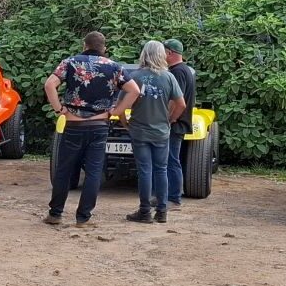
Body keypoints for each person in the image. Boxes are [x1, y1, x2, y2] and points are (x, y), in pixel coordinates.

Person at [43, 31, 140, 226]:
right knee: (94, 171)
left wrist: (58, 109)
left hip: (73, 124)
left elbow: (49, 85)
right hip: (99, 125)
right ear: (104, 48)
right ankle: (83, 217)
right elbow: (134, 91)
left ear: (84, 45)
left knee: (64, 170)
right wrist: (117, 110)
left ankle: (55, 214)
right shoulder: (114, 67)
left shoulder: (70, 63)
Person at [118, 40, 186, 224]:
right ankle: (162, 211)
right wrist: (170, 119)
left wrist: (126, 124)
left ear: (144, 54)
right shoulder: (169, 77)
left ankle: (145, 211)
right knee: (161, 170)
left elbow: (121, 106)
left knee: (145, 171)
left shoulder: (135, 76)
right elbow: (181, 104)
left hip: (139, 130)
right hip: (161, 132)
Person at [164, 39, 196, 208]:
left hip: (175, 124)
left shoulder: (177, 72)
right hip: (178, 123)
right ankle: (168, 196)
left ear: (170, 53)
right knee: (170, 159)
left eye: (163, 51)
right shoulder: (185, 70)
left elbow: (178, 100)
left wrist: (170, 118)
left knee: (171, 160)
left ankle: (173, 198)